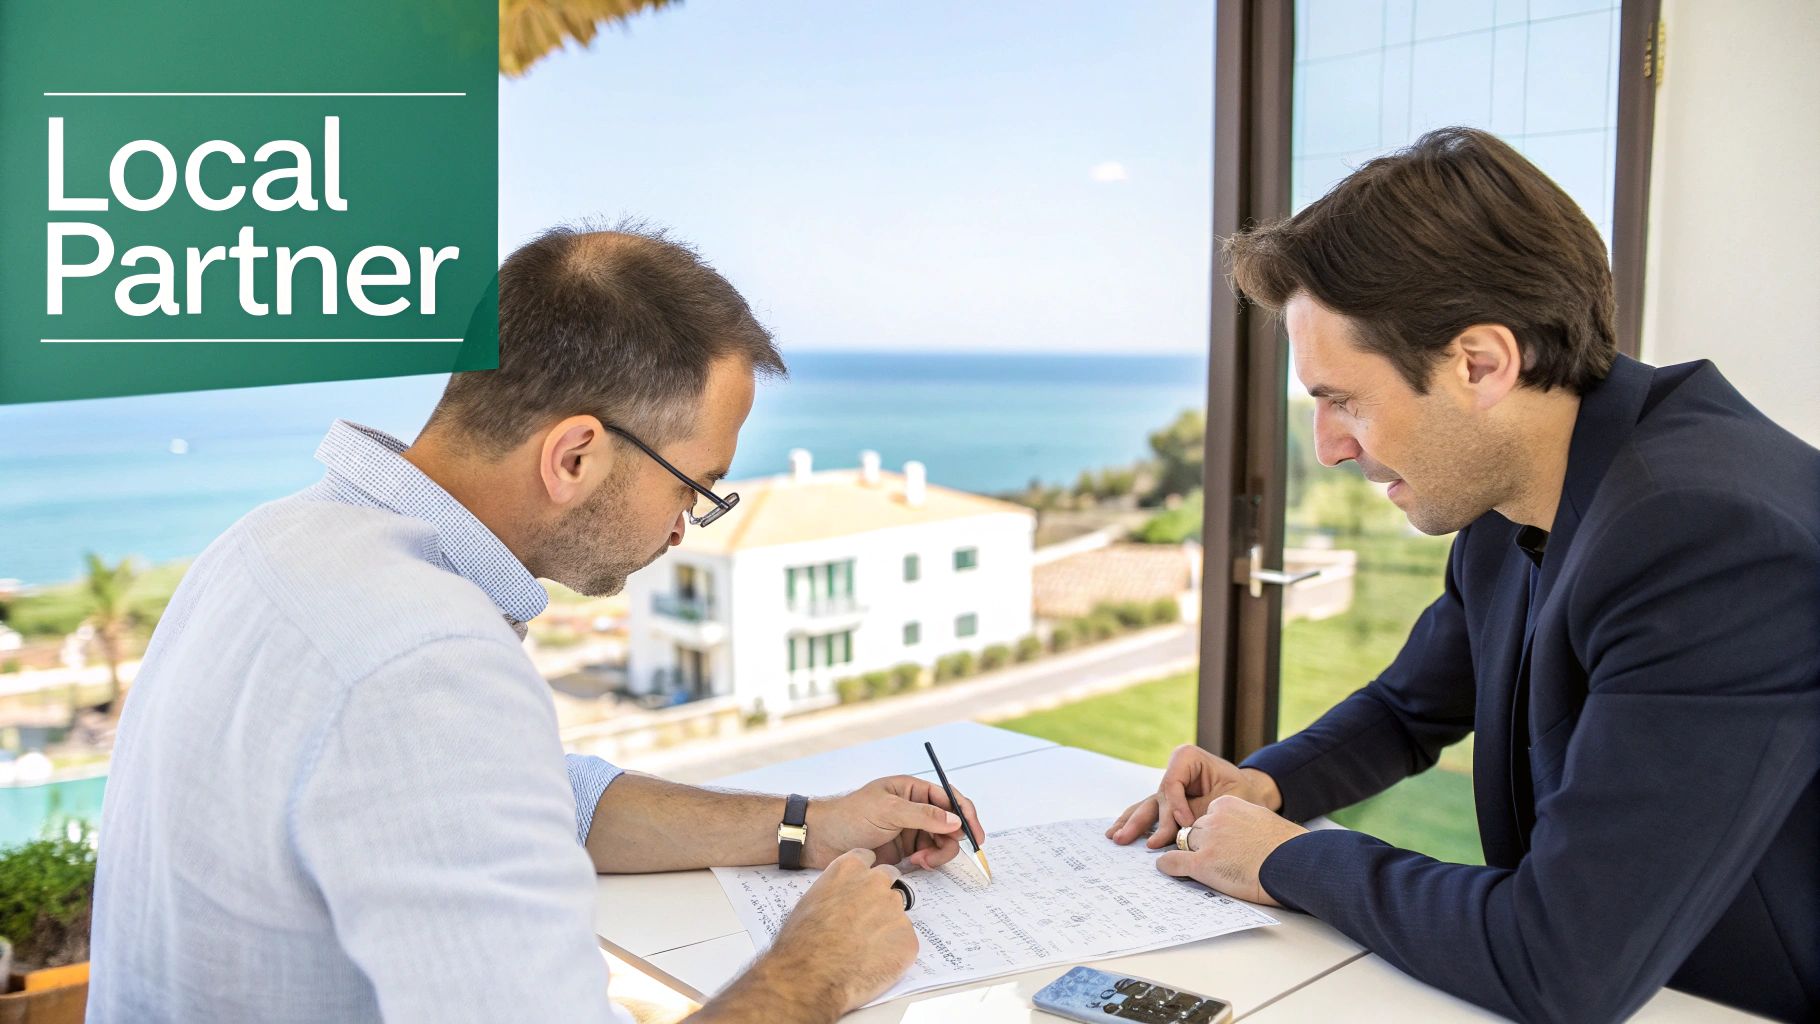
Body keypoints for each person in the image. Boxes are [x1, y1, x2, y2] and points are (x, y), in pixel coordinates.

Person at [88, 224, 984, 1024]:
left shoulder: (278, 541)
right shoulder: (424, 660)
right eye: (692, 488)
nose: (684, 527)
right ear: (576, 455)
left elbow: (542, 799)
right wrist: (817, 969)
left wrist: (809, 825)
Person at [1108, 128, 1819, 1023]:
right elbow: (1410, 708)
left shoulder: (1709, 539)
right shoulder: (1519, 480)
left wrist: (1282, 858)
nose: (1328, 450)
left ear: (1480, 364)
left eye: (1344, 401)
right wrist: (1268, 785)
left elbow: (1561, 959)